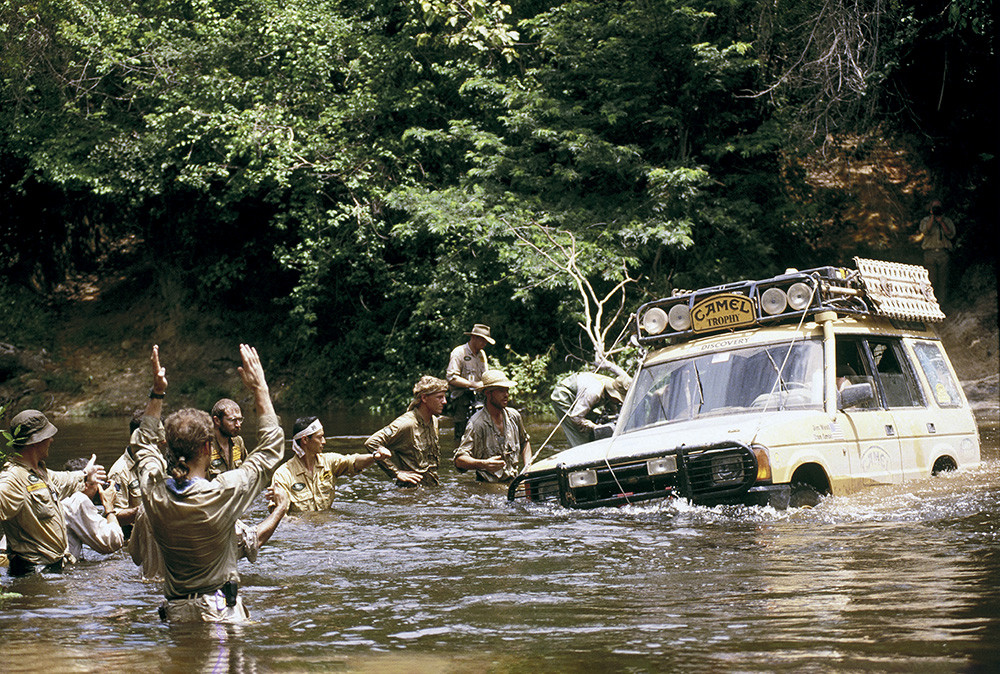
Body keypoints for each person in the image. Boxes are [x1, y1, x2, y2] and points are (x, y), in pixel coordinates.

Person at [133, 344, 284, 622]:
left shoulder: (154, 492)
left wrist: (157, 393)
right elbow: (270, 450)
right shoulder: (223, 492)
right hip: (219, 614)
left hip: (176, 615)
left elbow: (142, 445)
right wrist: (260, 387)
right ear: (207, 447)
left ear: (169, 448)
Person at [0, 410, 107, 575]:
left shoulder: (40, 472)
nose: (51, 440)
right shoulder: (12, 479)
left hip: (50, 572)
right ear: (35, 441)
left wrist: (86, 475)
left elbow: (64, 480)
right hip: (32, 574)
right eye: (47, 436)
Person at [129, 487, 291, 581]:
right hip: (196, 604)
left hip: (156, 603)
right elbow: (251, 541)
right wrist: (280, 508)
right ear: (205, 450)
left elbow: (135, 555)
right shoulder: (207, 505)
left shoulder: (147, 504)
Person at [270, 416, 391, 513]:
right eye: (320, 437)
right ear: (305, 440)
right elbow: (280, 516)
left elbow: (353, 462)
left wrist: (375, 457)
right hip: (303, 531)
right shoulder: (283, 475)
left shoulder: (329, 462)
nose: (324, 442)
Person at [365, 376, 448, 487]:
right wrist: (396, 472)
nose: (444, 401)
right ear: (424, 398)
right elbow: (372, 443)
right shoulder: (407, 423)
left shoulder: (434, 421)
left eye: (444, 397)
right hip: (409, 491)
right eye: (439, 397)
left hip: (430, 488)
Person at [454, 370, 532, 483]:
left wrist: (528, 468)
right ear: (488, 393)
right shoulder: (477, 423)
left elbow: (524, 442)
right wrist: (483, 464)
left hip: (513, 481)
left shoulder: (514, 416)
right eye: (501, 391)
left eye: (507, 390)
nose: (506, 395)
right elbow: (459, 460)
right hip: (488, 485)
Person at [61, 457, 125, 560]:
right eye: (97, 482)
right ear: (86, 485)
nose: (99, 487)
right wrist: (109, 506)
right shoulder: (78, 500)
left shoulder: (62, 495)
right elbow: (113, 541)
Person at [551, 372, 630, 447]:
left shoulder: (616, 386)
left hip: (582, 400)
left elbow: (613, 411)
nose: (619, 402)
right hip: (564, 395)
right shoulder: (594, 392)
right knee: (579, 435)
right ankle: (580, 450)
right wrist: (594, 427)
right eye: (619, 399)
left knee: (598, 419)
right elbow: (576, 418)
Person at [446, 323, 494, 439]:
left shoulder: (482, 354)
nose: (484, 344)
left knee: (483, 431)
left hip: (479, 398)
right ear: (473, 337)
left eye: (486, 341)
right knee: (462, 433)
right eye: (482, 340)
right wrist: (473, 384)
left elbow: (485, 375)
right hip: (461, 397)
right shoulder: (459, 352)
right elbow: (451, 378)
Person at [106, 408, 147, 538]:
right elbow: (114, 516)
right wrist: (144, 510)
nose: (161, 441)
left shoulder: (157, 462)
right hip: (135, 538)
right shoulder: (119, 472)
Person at [917, 199, 956, 301]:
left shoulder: (947, 221)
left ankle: (942, 303)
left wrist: (941, 222)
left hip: (943, 253)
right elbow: (926, 231)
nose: (937, 209)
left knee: (943, 281)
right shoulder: (926, 220)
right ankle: (930, 301)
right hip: (930, 254)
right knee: (931, 280)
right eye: (934, 207)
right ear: (930, 209)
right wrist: (932, 218)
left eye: (938, 207)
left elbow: (950, 234)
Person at [208, 398, 248, 479]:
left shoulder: (238, 442)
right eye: (232, 420)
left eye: (240, 420)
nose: (238, 425)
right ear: (217, 421)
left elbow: (247, 471)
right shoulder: (206, 446)